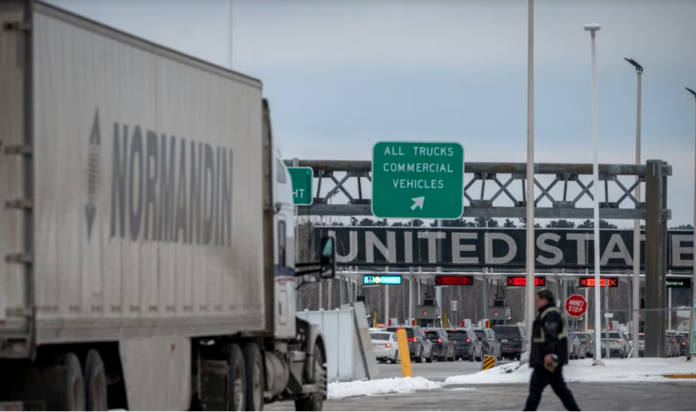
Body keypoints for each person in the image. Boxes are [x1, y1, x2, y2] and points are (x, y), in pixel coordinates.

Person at [523, 289, 580, 411]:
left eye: (537, 300)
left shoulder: (551, 314)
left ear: (545, 300)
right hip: (549, 358)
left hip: (547, 359)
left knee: (536, 388)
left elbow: (551, 334)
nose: (535, 303)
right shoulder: (547, 313)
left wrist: (549, 353)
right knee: (560, 389)